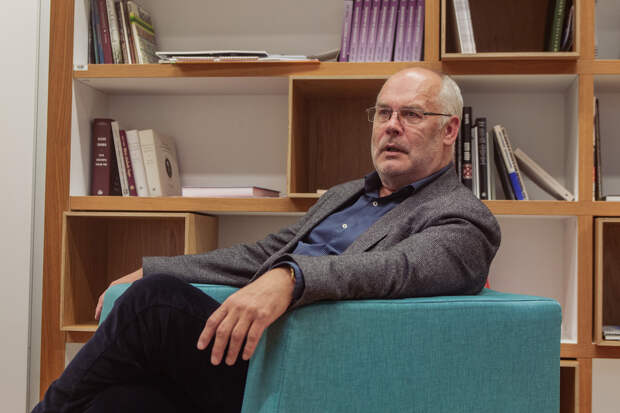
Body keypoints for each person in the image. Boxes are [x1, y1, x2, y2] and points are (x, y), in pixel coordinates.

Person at [33, 68, 501, 413]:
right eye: (383, 113)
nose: (391, 126)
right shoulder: (344, 195)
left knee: (152, 303)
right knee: (121, 402)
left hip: (304, 366)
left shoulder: (462, 218)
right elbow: (260, 254)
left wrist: (290, 279)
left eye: (411, 114)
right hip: (247, 350)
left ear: (449, 129)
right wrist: (158, 266)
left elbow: (397, 269)